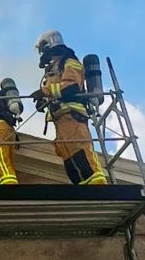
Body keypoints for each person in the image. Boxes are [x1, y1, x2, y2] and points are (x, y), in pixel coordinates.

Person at [31, 30, 106, 185]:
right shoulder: (55, 67)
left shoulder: (69, 61)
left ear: (49, 46)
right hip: (60, 117)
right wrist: (43, 100)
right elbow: (56, 89)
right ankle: (81, 184)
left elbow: (71, 86)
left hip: (72, 114)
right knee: (66, 152)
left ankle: (97, 181)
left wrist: (44, 91)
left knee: (80, 146)